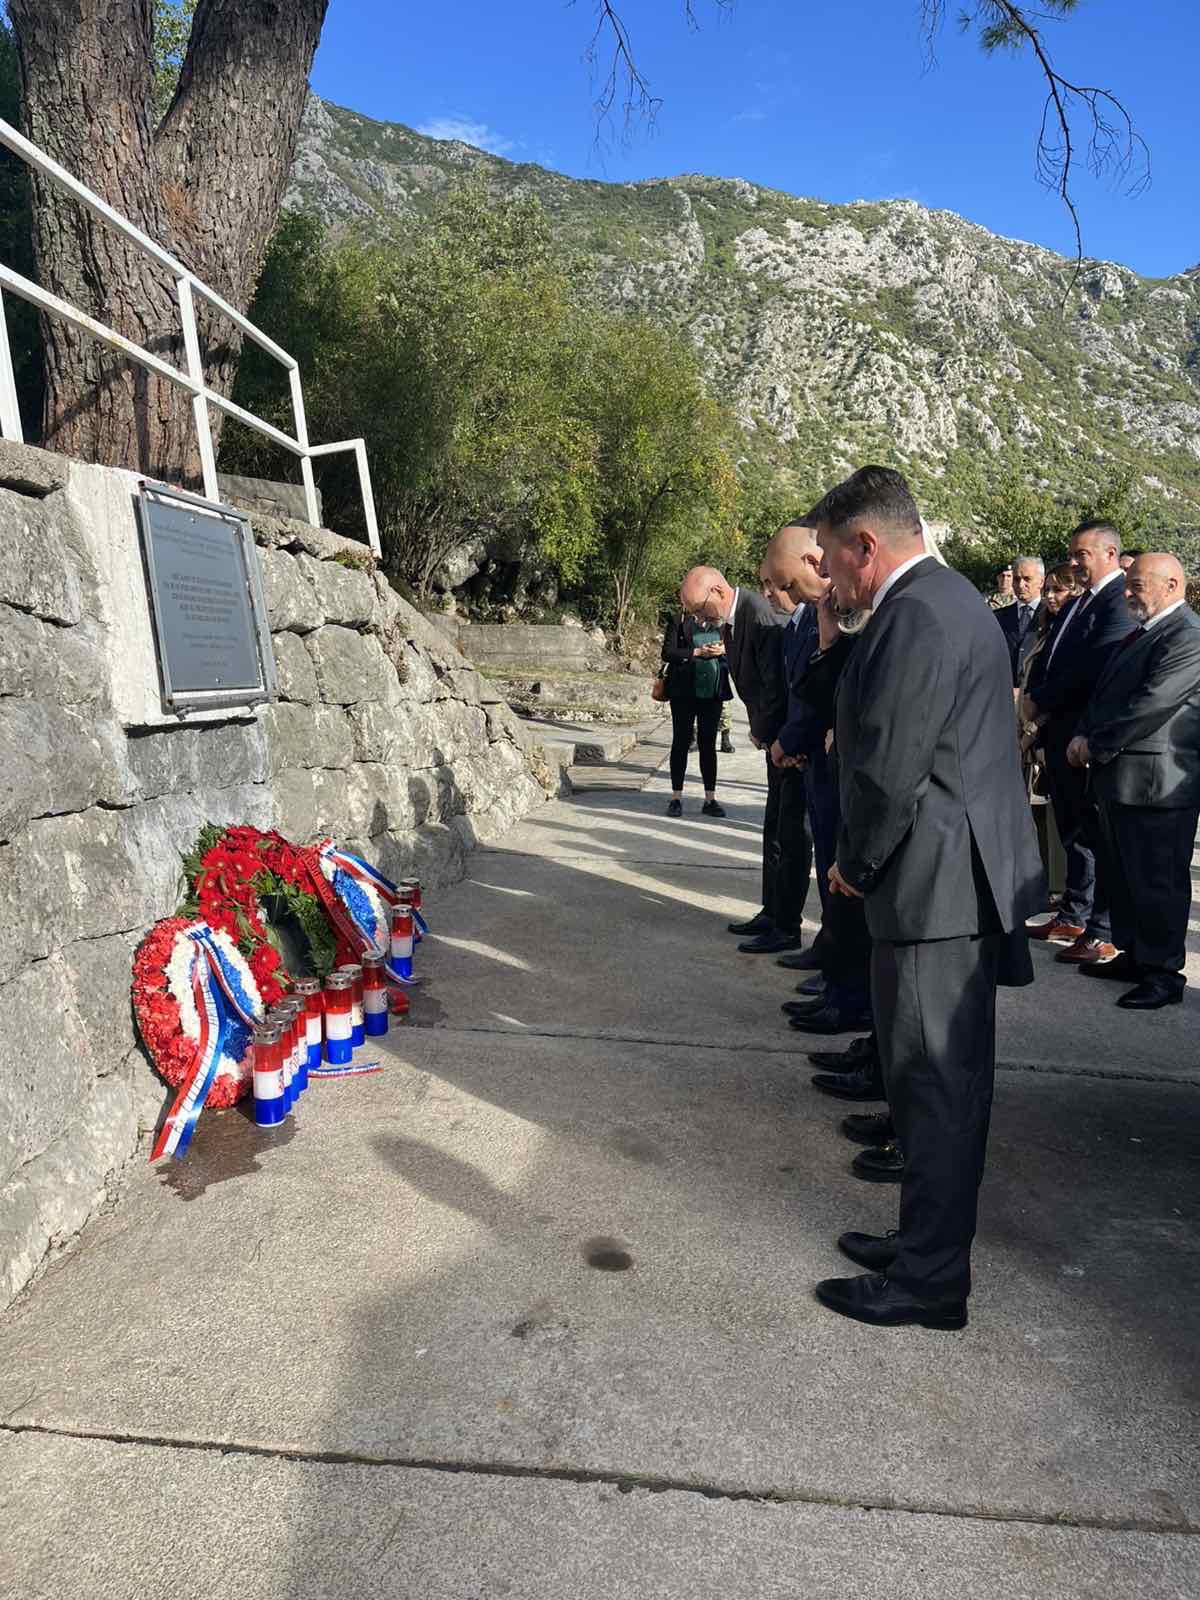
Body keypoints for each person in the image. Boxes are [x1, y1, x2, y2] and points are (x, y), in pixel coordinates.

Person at [810, 466, 1043, 1330]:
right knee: (932, 1085)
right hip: (950, 879)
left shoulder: (917, 614)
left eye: (834, 562)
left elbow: (891, 768)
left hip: (936, 885)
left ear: (868, 546)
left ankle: (929, 1281)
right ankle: (921, 1246)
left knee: (936, 1087)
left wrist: (853, 867)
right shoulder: (940, 601)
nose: (830, 580)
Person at [1069, 554, 1200, 1008]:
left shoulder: (1187, 635)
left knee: (1158, 881)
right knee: (1124, 876)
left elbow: (1152, 703)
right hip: (1123, 780)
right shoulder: (1143, 632)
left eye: (1137, 585)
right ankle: (1135, 955)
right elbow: (1107, 692)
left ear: (1171, 585)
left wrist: (1094, 743)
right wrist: (1083, 731)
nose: (1127, 593)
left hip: (1158, 786)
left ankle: (1164, 974)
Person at [1024, 522, 1138, 964]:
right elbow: (1057, 657)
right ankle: (1074, 913)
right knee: (1072, 830)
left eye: (1082, 555)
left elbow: (1095, 667)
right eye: (1071, 555)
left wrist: (1041, 700)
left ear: (1110, 553)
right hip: (1060, 733)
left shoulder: (1117, 601)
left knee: (1094, 835)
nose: (1073, 563)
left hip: (1083, 734)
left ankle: (1101, 929)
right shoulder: (1083, 600)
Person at [678, 565, 791, 948]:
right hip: (770, 740)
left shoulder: (757, 613)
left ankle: (786, 926)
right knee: (773, 830)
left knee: (789, 834)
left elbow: (775, 683)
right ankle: (771, 911)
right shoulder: (731, 619)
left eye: (698, 609)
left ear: (717, 590)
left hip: (783, 743)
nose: (697, 619)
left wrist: (765, 732)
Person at [660, 609, 730, 819]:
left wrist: (723, 650)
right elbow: (668, 652)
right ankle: (676, 797)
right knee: (680, 741)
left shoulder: (723, 621)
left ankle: (710, 799)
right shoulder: (679, 620)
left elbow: (739, 649)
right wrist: (697, 653)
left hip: (713, 692)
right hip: (683, 691)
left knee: (708, 744)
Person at [995, 556, 1046, 686]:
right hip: (1006, 692)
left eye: (1027, 579)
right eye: (1016, 579)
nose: (1020, 585)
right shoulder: (998, 617)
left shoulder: (1054, 615)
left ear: (1041, 581)